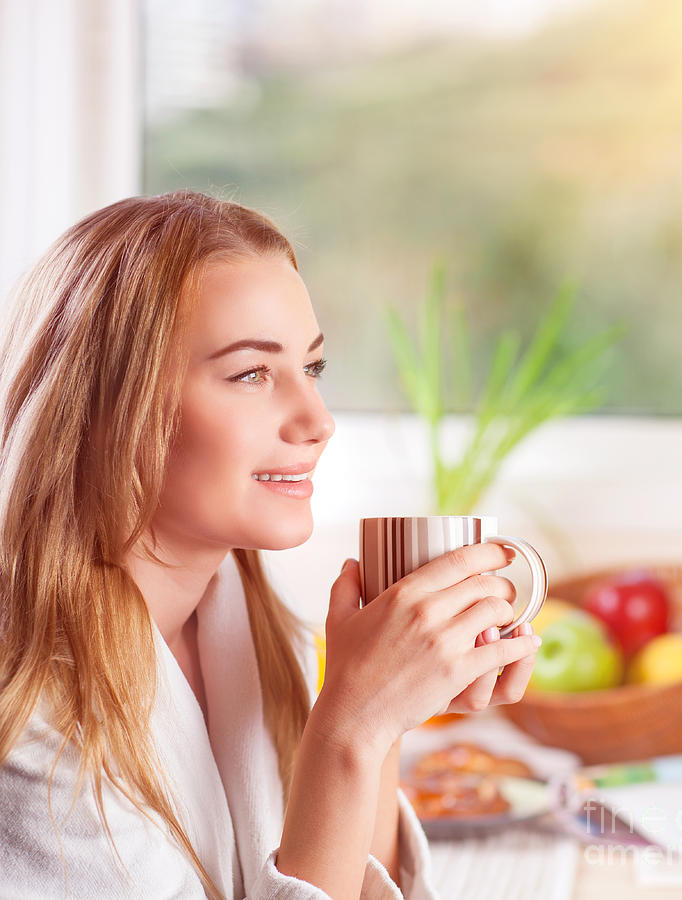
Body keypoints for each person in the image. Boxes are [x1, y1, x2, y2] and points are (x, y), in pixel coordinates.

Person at [0, 191, 541, 899]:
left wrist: (383, 717)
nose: (317, 421)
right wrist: (347, 731)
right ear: (110, 410)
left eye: (311, 369)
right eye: (251, 374)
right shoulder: (31, 711)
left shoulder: (258, 624)